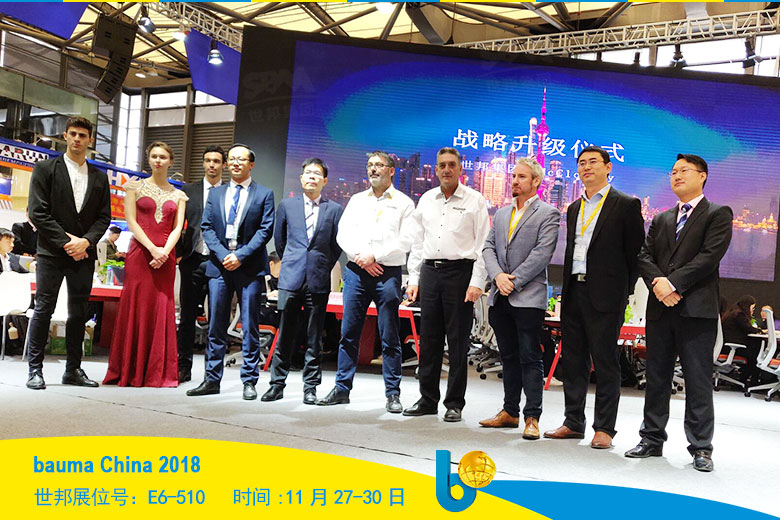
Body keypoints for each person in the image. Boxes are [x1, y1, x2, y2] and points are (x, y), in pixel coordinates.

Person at [625, 153, 732, 472]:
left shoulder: (717, 214)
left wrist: (672, 284)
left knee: (697, 380)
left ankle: (701, 447)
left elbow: (709, 257)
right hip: (660, 310)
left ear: (702, 176)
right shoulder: (661, 219)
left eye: (684, 170)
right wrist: (659, 284)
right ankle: (651, 438)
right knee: (656, 377)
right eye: (673, 171)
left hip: (696, 311)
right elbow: (643, 256)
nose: (676, 176)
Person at [544, 145, 645, 448]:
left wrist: (622, 292)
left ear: (608, 167)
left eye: (593, 162)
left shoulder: (625, 204)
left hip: (606, 296)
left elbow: (635, 254)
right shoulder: (574, 207)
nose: (586, 167)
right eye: (581, 163)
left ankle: (604, 429)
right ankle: (573, 422)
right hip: (574, 290)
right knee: (573, 361)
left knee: (605, 362)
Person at [317, 151, 415, 412]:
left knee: (389, 336)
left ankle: (393, 394)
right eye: (370, 165)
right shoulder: (357, 200)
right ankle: (341, 388)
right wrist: (362, 258)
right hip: (356, 272)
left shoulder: (404, 203)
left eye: (379, 165)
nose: (373, 169)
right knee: (348, 334)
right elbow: (343, 234)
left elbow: (406, 240)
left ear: (391, 170)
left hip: (387, 274)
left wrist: (375, 256)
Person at [403, 147, 490, 423]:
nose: (446, 170)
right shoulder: (427, 199)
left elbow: (483, 245)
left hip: (460, 274)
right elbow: (418, 243)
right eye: (442, 165)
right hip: (430, 273)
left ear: (460, 169)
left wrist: (477, 282)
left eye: (452, 164)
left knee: (457, 342)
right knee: (429, 340)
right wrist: (414, 278)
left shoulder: (475, 200)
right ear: (437, 169)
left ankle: (454, 403)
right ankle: (427, 400)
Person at [25, 116, 111, 390]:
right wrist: (67, 242)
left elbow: (104, 217)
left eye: (82, 135)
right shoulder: (45, 169)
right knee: (43, 310)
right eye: (72, 134)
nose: (77, 139)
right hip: (51, 253)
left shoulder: (99, 177)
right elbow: (38, 212)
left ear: (90, 140)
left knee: (79, 313)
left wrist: (86, 242)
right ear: (65, 136)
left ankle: (73, 369)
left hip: (83, 256)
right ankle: (35, 370)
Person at [478, 157, 560, 437]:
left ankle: (532, 417)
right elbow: (488, 248)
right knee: (508, 357)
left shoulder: (548, 213)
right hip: (500, 297)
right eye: (513, 176)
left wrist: (513, 281)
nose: (514, 181)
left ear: (536, 182)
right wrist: (498, 277)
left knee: (530, 358)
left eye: (521, 177)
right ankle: (510, 411)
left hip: (528, 298)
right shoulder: (502, 213)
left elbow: (542, 253)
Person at [187, 144, 275, 400]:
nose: (236, 163)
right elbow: (206, 227)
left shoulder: (264, 194)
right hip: (220, 266)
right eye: (232, 159)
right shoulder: (216, 193)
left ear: (251, 164)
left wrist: (240, 255)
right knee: (216, 325)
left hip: (249, 268)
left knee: (250, 325)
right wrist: (224, 254)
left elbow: (265, 230)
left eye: (241, 159)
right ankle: (211, 379)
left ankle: (249, 380)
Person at [103, 142, 187, 387]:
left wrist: (165, 252)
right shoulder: (135, 187)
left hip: (166, 257)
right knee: (136, 305)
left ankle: (157, 372)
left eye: (163, 157)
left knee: (162, 306)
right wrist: (153, 249)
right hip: (140, 254)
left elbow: (177, 228)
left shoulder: (179, 195)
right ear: (149, 159)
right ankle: (130, 370)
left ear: (171, 161)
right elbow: (131, 220)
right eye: (154, 156)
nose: (158, 160)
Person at [262, 158, 343, 404]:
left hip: (318, 279)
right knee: (285, 333)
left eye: (317, 174)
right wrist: (293, 262)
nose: (312, 177)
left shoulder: (334, 209)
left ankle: (310, 387)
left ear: (324, 180)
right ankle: (277, 384)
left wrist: (321, 265)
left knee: (314, 336)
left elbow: (336, 246)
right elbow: (280, 241)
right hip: (290, 278)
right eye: (308, 173)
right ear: (301, 178)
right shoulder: (287, 205)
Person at [176, 145, 225, 382]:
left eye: (216, 161)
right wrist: (178, 254)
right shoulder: (188, 191)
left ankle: (212, 371)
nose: (212, 164)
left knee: (217, 318)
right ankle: (183, 366)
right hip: (192, 260)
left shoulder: (229, 192)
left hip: (219, 262)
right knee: (187, 317)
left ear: (223, 165)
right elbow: (177, 225)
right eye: (208, 160)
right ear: (203, 163)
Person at [721, 296, 763, 388]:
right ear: (747, 306)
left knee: (754, 350)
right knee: (756, 355)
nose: (752, 310)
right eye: (752, 308)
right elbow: (748, 328)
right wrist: (761, 331)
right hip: (733, 348)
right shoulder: (739, 315)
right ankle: (751, 382)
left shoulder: (732, 313)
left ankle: (744, 380)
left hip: (726, 346)